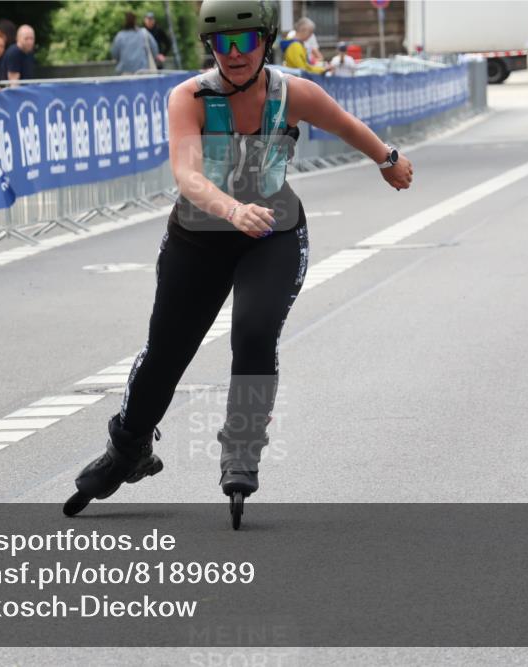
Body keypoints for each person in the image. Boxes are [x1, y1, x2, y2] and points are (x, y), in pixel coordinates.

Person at [63, 0, 413, 526]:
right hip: (199, 237)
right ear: (210, 47)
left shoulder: (293, 93)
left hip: (272, 234)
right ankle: (128, 447)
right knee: (166, 353)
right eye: (221, 44)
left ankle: (242, 445)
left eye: (244, 43)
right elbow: (187, 174)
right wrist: (231, 209)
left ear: (266, 43)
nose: (233, 55)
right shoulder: (190, 97)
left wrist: (387, 160)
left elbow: (345, 125)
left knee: (253, 332)